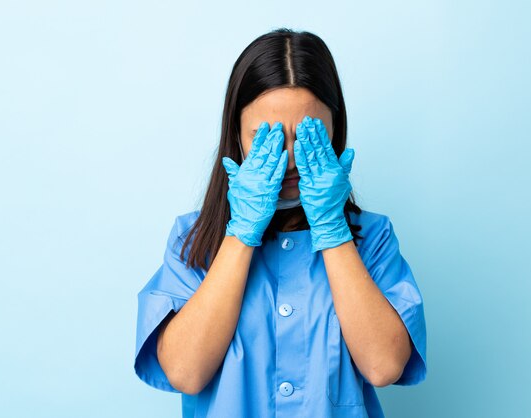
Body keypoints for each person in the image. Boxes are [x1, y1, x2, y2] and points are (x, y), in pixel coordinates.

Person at [133, 28, 427, 418]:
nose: (289, 160)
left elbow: (383, 366)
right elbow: (185, 372)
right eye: (265, 137)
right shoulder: (192, 240)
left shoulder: (373, 238)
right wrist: (240, 235)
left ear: (335, 131)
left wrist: (332, 229)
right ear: (235, 136)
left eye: (308, 135)